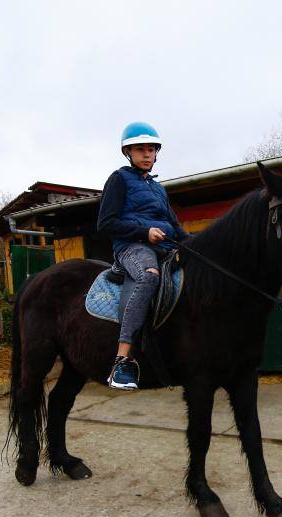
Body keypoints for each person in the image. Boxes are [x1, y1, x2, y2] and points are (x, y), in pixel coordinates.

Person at [97, 122, 190, 390]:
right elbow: (106, 223)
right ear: (128, 152)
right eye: (140, 149)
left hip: (165, 245)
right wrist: (143, 232)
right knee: (149, 276)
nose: (147, 154)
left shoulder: (158, 189)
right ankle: (122, 361)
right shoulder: (119, 179)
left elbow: (175, 225)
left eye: (151, 149)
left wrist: (199, 245)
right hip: (132, 247)